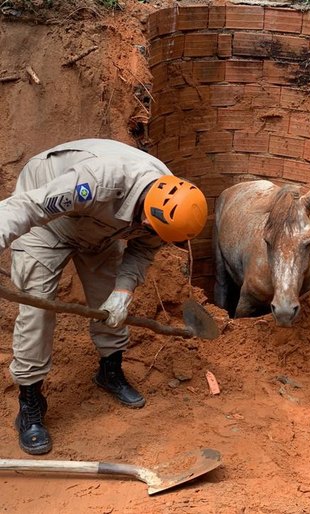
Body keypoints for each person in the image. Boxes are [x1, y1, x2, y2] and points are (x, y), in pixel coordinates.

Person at [0, 138, 208, 455]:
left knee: (111, 305)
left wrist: (123, 291)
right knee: (36, 311)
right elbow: (29, 207)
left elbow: (142, 250)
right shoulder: (95, 181)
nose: (153, 234)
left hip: (103, 229)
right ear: (147, 211)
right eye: (150, 227)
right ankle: (30, 401)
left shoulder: (168, 212)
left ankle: (109, 371)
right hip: (48, 224)